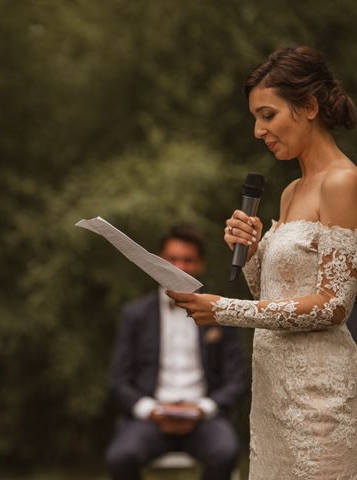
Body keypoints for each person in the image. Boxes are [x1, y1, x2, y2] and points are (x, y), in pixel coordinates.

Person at [168, 46, 357, 479]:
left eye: (268, 115)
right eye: (256, 118)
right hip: (273, 390)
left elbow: (334, 304)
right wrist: (253, 255)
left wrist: (224, 311)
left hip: (318, 396)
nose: (258, 131)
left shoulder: (344, 182)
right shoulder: (290, 191)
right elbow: (275, 299)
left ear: (309, 106)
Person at [105, 225, 247, 480]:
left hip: (205, 418)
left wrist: (202, 408)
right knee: (121, 456)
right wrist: (151, 410)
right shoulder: (136, 315)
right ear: (158, 262)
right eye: (171, 259)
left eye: (188, 260)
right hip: (151, 419)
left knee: (225, 452)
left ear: (201, 264)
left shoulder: (220, 312)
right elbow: (119, 381)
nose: (178, 267)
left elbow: (236, 379)